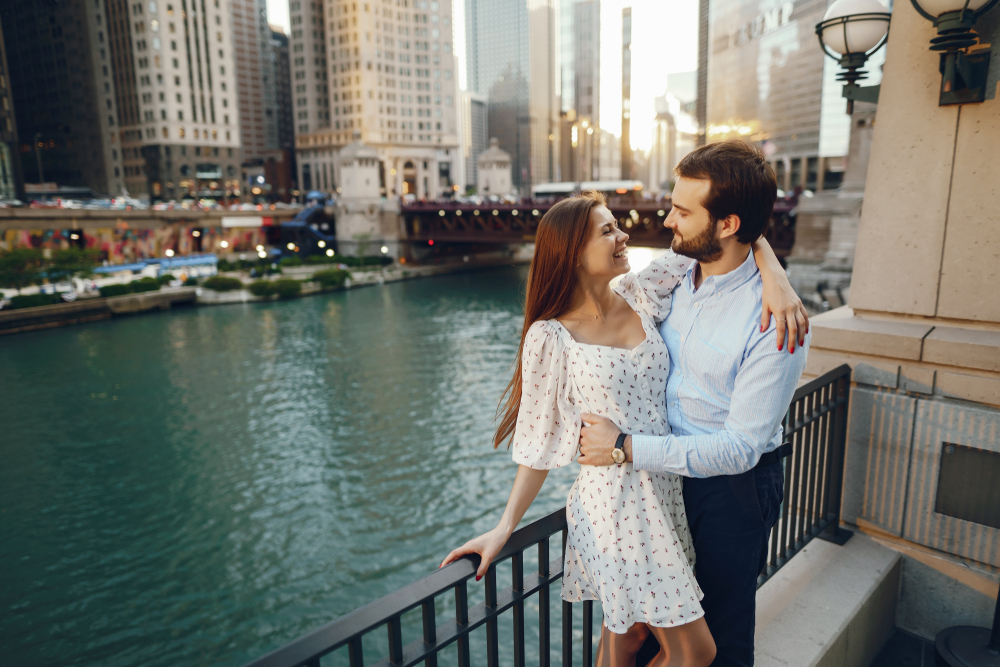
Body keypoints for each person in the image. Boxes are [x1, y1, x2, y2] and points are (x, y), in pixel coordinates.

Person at [441, 180, 807, 666]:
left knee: (631, 638)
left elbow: (726, 240)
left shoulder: (643, 292)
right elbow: (539, 442)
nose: (623, 238)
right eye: (608, 231)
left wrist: (776, 277)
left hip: (667, 490)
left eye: (617, 227)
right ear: (572, 253)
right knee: (696, 652)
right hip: (614, 504)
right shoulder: (550, 337)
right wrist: (504, 527)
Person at [578, 140, 810, 667]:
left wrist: (622, 448)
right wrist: (767, 257)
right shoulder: (677, 270)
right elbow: (596, 292)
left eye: (683, 211)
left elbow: (738, 450)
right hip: (660, 474)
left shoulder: (777, 322)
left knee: (716, 636)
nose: (668, 220)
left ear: (727, 224)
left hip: (730, 491)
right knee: (643, 621)